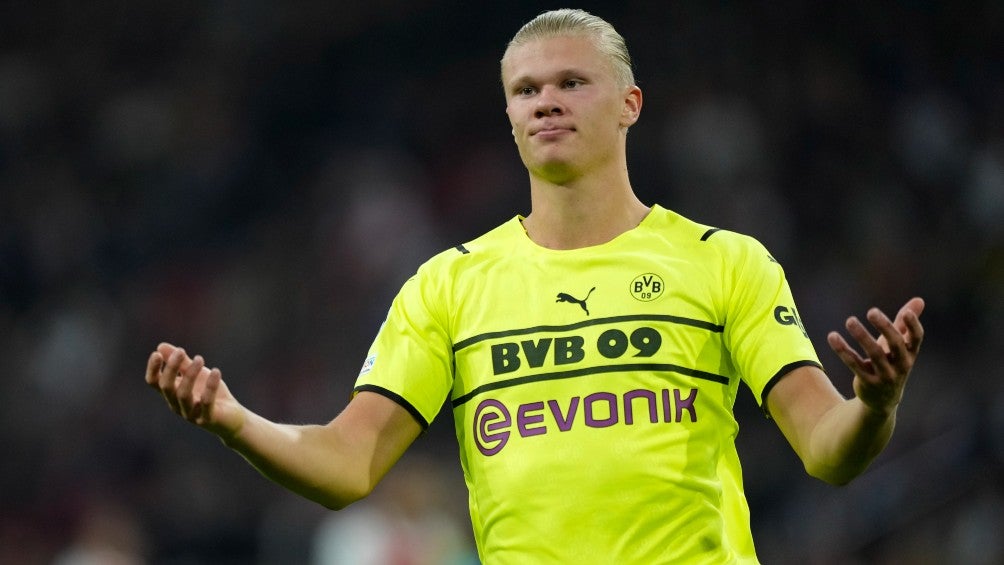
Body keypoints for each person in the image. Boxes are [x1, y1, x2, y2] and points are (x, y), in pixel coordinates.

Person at [145, 9, 925, 564]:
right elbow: (347, 462)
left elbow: (827, 450)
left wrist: (875, 405)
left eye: (572, 82)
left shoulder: (725, 263)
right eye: (525, 90)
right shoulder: (448, 285)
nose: (545, 100)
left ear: (630, 104)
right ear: (511, 117)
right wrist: (234, 420)